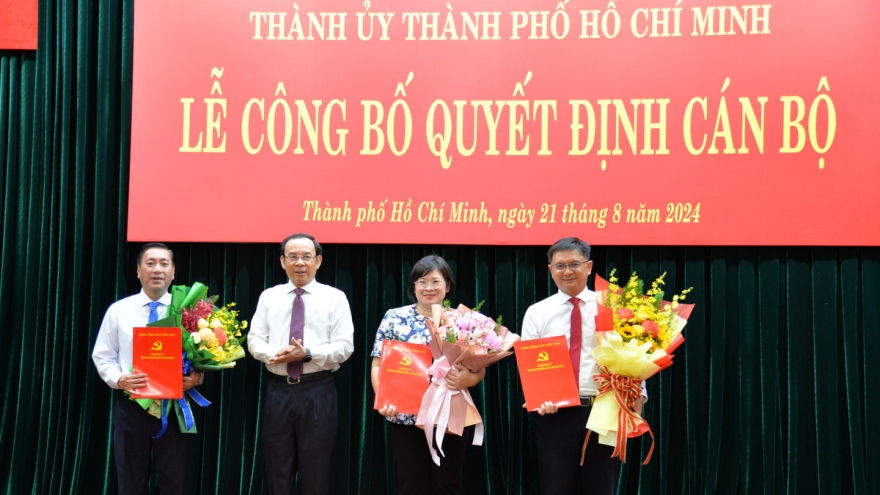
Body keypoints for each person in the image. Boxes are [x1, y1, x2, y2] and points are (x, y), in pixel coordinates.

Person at [521, 237, 646, 495]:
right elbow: (531, 364)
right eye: (560, 265)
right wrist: (538, 397)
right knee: (555, 488)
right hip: (556, 414)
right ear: (551, 270)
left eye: (574, 264)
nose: (567, 271)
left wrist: (638, 399)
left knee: (602, 487)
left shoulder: (613, 307)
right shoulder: (537, 312)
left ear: (589, 267)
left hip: (605, 408)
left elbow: (636, 355)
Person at [92, 242, 204, 495]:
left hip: (175, 407)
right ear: (138, 270)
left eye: (164, 264)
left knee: (175, 483)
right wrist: (120, 379)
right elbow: (103, 356)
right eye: (150, 263)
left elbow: (202, 356)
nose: (157, 269)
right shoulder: (119, 310)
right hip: (131, 406)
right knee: (131, 482)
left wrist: (197, 377)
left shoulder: (188, 312)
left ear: (173, 272)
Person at [248, 232, 354, 495]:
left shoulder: (334, 297)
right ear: (282, 261)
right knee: (277, 470)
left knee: (316, 471)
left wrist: (307, 354)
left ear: (318, 261)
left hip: (317, 391)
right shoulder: (269, 297)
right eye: (293, 256)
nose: (299, 262)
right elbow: (254, 339)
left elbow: (345, 346)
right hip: (278, 390)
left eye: (306, 256)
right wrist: (276, 354)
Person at [370, 254, 485, 495]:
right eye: (421, 282)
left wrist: (471, 379)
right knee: (411, 486)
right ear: (414, 287)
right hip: (405, 416)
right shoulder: (394, 317)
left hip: (450, 413)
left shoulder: (462, 321)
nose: (428, 288)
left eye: (435, 281)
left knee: (448, 486)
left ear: (447, 286)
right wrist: (384, 400)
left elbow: (479, 366)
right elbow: (378, 364)